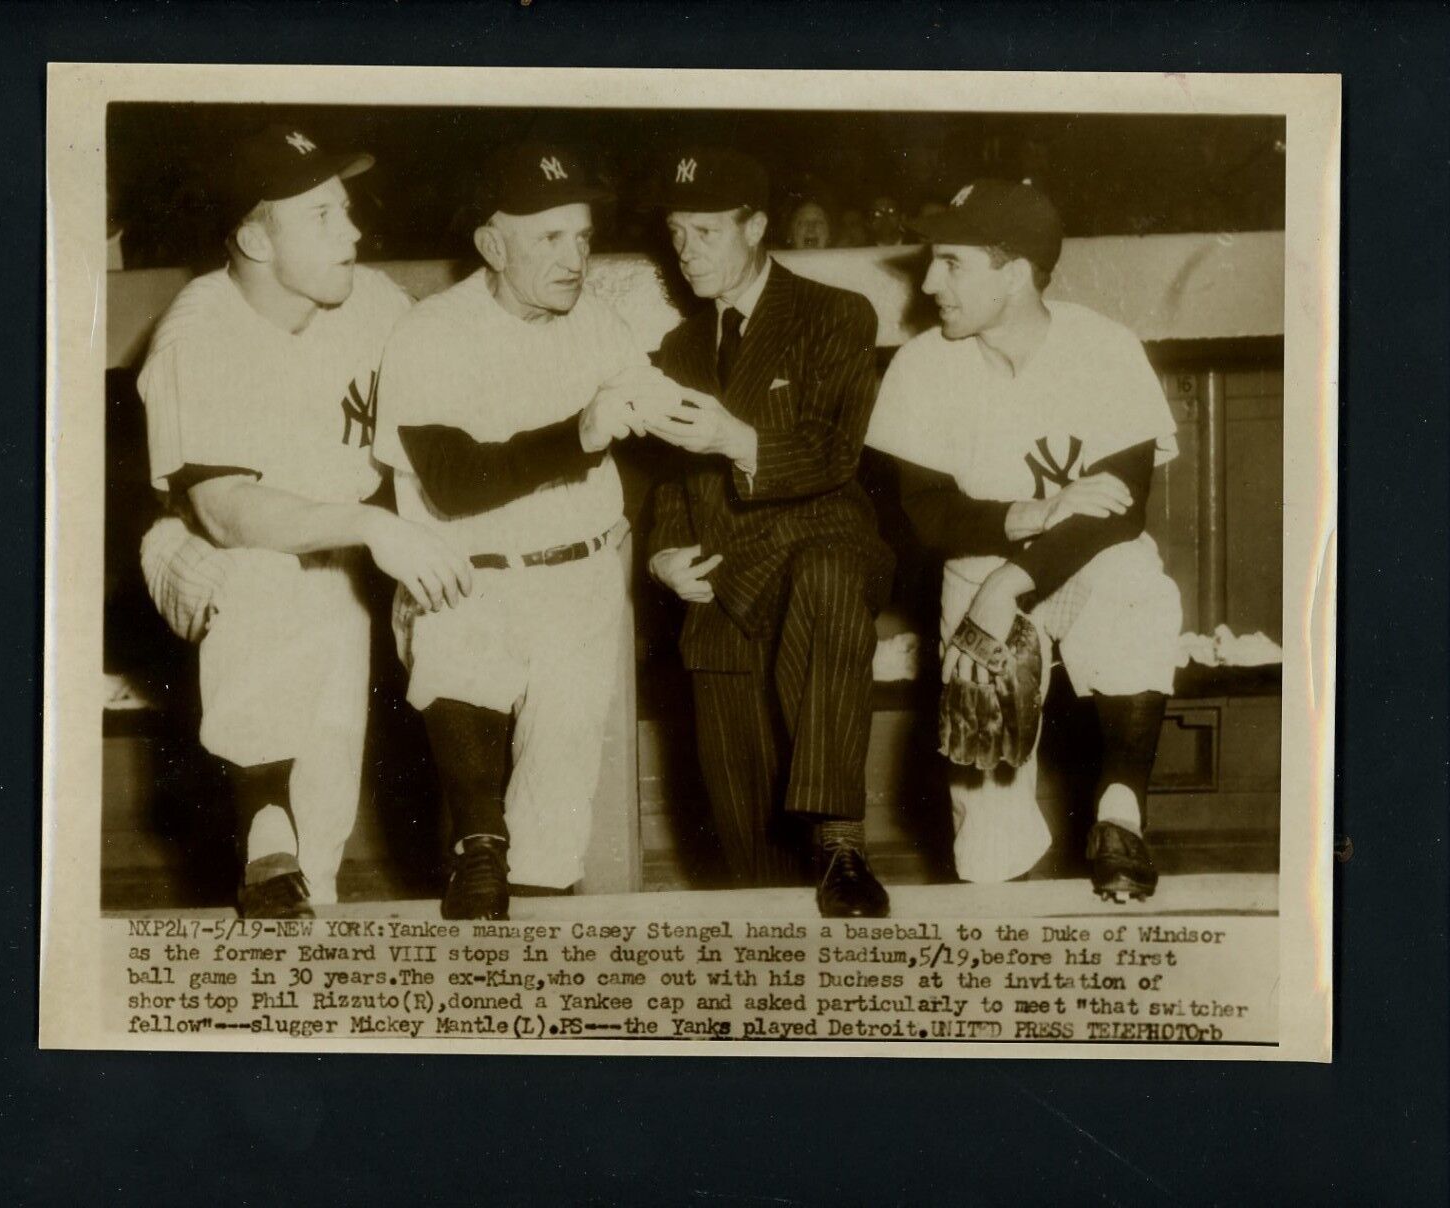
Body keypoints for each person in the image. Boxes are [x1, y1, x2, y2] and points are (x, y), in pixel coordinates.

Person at [137, 124, 472, 918]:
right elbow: (225, 511)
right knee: (270, 578)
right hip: (203, 548)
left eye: (347, 210)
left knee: (328, 652)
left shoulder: (368, 299)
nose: (353, 232)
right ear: (256, 237)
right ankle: (262, 821)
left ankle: (293, 875)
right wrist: (373, 527)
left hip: (338, 541)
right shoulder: (201, 331)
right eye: (321, 215)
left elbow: (454, 377)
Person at [374, 143, 684, 920]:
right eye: (547, 237)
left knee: (554, 826)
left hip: (579, 580)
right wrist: (579, 434)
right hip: (470, 575)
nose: (573, 256)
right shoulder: (431, 332)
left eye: (581, 236)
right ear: (492, 244)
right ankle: (478, 851)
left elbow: (649, 401)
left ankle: (526, 958)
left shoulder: (597, 319)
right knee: (465, 693)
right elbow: (454, 480)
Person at [865, 179, 1183, 901]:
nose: (927, 280)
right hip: (974, 564)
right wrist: (1031, 514)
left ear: (1013, 274)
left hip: (1086, 558)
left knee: (1137, 587)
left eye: (951, 262)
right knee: (987, 831)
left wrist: (1010, 583)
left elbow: (1119, 514)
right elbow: (923, 515)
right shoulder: (923, 364)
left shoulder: (1103, 348)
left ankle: (1121, 815)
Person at [641, 146, 896, 918]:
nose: (686, 252)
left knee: (826, 574)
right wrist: (660, 555)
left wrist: (737, 439)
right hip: (721, 590)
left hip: (817, 551)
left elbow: (835, 448)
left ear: (755, 227)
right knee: (750, 868)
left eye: (706, 232)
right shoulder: (680, 348)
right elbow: (668, 483)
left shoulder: (834, 312)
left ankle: (841, 838)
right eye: (677, 233)